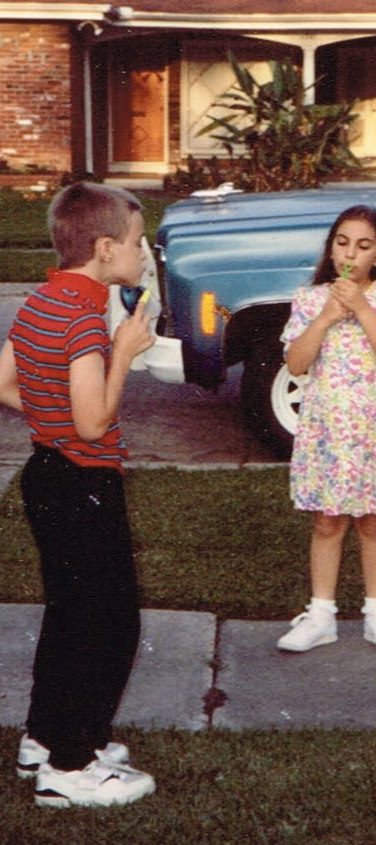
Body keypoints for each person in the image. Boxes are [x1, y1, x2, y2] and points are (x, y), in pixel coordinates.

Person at [0, 182, 157, 806]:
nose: (144, 255)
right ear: (103, 248)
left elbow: (4, 381)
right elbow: (93, 423)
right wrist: (122, 352)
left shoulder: (42, 299)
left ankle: (44, 737)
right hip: (85, 484)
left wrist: (48, 421)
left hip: (46, 475)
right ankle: (69, 770)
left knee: (70, 614)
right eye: (138, 243)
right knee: (111, 624)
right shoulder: (86, 320)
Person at [276, 205, 376, 654]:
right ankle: (321, 615)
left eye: (363, 245)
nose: (350, 254)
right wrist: (326, 317)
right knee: (328, 520)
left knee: (374, 521)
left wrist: (360, 306)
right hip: (327, 425)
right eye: (342, 242)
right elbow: (296, 363)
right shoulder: (309, 298)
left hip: (374, 423)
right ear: (331, 248)